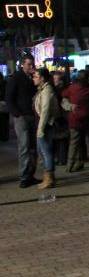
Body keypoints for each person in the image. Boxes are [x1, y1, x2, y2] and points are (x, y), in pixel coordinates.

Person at [5, 55, 38, 187]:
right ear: (23, 64)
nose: (31, 67)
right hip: (22, 116)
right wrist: (17, 114)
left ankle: (30, 174)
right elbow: (9, 98)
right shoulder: (16, 78)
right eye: (28, 64)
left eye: (32, 64)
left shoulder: (32, 78)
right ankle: (24, 177)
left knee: (32, 147)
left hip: (32, 116)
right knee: (24, 146)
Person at [33, 68, 61, 189]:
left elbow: (45, 111)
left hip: (45, 124)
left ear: (42, 78)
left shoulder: (47, 90)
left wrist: (40, 129)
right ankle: (48, 176)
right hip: (42, 123)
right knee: (43, 151)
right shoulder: (43, 89)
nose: (33, 78)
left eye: (36, 76)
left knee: (45, 151)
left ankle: (49, 177)